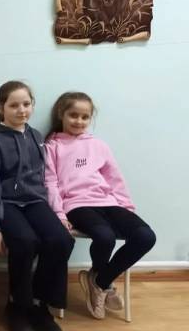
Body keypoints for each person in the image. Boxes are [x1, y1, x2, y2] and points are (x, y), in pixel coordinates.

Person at [0, 80, 74, 331]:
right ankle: (17, 305)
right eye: (14, 105)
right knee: (25, 241)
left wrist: (59, 213)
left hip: (34, 201)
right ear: (1, 108)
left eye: (26, 104)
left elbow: (45, 179)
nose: (21, 110)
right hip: (6, 203)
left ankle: (40, 305)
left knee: (61, 240)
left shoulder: (36, 136)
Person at [45, 91, 156, 319]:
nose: (79, 121)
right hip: (76, 204)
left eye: (85, 117)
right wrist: (59, 213)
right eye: (73, 115)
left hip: (108, 202)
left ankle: (100, 281)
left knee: (146, 236)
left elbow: (115, 178)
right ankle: (102, 284)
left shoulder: (98, 145)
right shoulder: (52, 146)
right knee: (105, 237)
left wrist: (126, 208)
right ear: (61, 114)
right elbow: (50, 183)